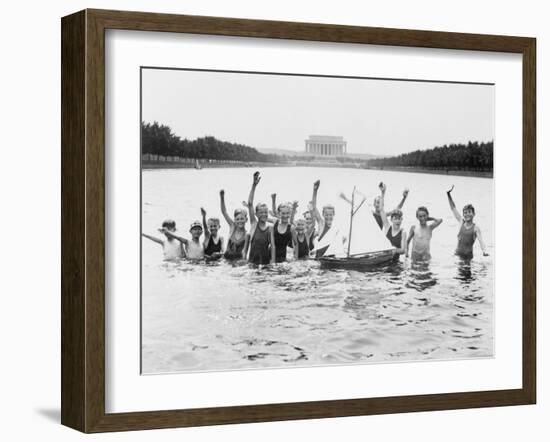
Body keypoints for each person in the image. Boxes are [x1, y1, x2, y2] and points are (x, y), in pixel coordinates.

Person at [446, 185, 489, 259]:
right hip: (457, 254)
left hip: (467, 257)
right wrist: (448, 195)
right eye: (465, 213)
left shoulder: (476, 228)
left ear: (474, 214)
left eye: (469, 212)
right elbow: (453, 208)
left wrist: (484, 251)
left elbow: (481, 241)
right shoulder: (461, 222)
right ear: (463, 214)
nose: (467, 214)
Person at [246, 171, 272, 265]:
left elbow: (273, 247)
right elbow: (249, 204)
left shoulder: (270, 229)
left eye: (265, 212)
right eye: (261, 212)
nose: (264, 214)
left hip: (265, 265)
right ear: (256, 214)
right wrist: (254, 186)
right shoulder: (253, 224)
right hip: (252, 264)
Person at [378, 183, 407, 260]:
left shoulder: (403, 232)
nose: (398, 221)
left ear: (401, 220)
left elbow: (403, 250)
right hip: (382, 259)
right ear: (392, 220)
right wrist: (383, 193)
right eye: (395, 219)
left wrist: (395, 250)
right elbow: (381, 210)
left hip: (394, 261)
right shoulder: (387, 227)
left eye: (399, 219)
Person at [219, 189, 249, 260]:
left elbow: (245, 252)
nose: (240, 221)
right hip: (226, 261)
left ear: (246, 220)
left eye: (242, 219)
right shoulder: (232, 227)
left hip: (237, 262)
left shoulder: (247, 235)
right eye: (237, 219)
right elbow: (224, 212)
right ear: (234, 220)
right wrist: (222, 197)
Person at [311, 180, 335, 257]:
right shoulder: (321, 224)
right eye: (326, 215)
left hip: (331, 258)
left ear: (334, 214)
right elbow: (314, 207)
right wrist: (315, 191)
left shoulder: (335, 228)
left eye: (330, 215)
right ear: (323, 214)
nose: (328, 217)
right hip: (320, 258)